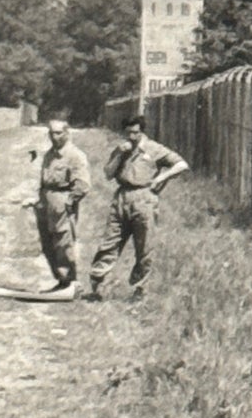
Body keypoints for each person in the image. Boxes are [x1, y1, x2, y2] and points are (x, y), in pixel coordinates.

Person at [88, 115, 189, 300]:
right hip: (122, 196)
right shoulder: (121, 149)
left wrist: (160, 178)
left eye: (136, 133)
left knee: (144, 246)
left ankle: (140, 290)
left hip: (144, 198)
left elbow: (182, 164)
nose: (132, 137)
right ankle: (99, 284)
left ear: (142, 131)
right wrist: (119, 154)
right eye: (128, 133)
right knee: (110, 241)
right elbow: (108, 174)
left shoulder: (154, 149)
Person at [24, 119, 91, 290]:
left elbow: (83, 185)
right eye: (51, 133)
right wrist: (38, 199)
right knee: (47, 241)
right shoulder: (49, 154)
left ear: (67, 133)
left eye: (58, 133)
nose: (54, 137)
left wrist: (68, 202)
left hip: (62, 200)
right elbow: (43, 179)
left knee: (63, 241)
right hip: (46, 200)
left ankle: (70, 281)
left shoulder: (75, 155)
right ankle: (61, 280)